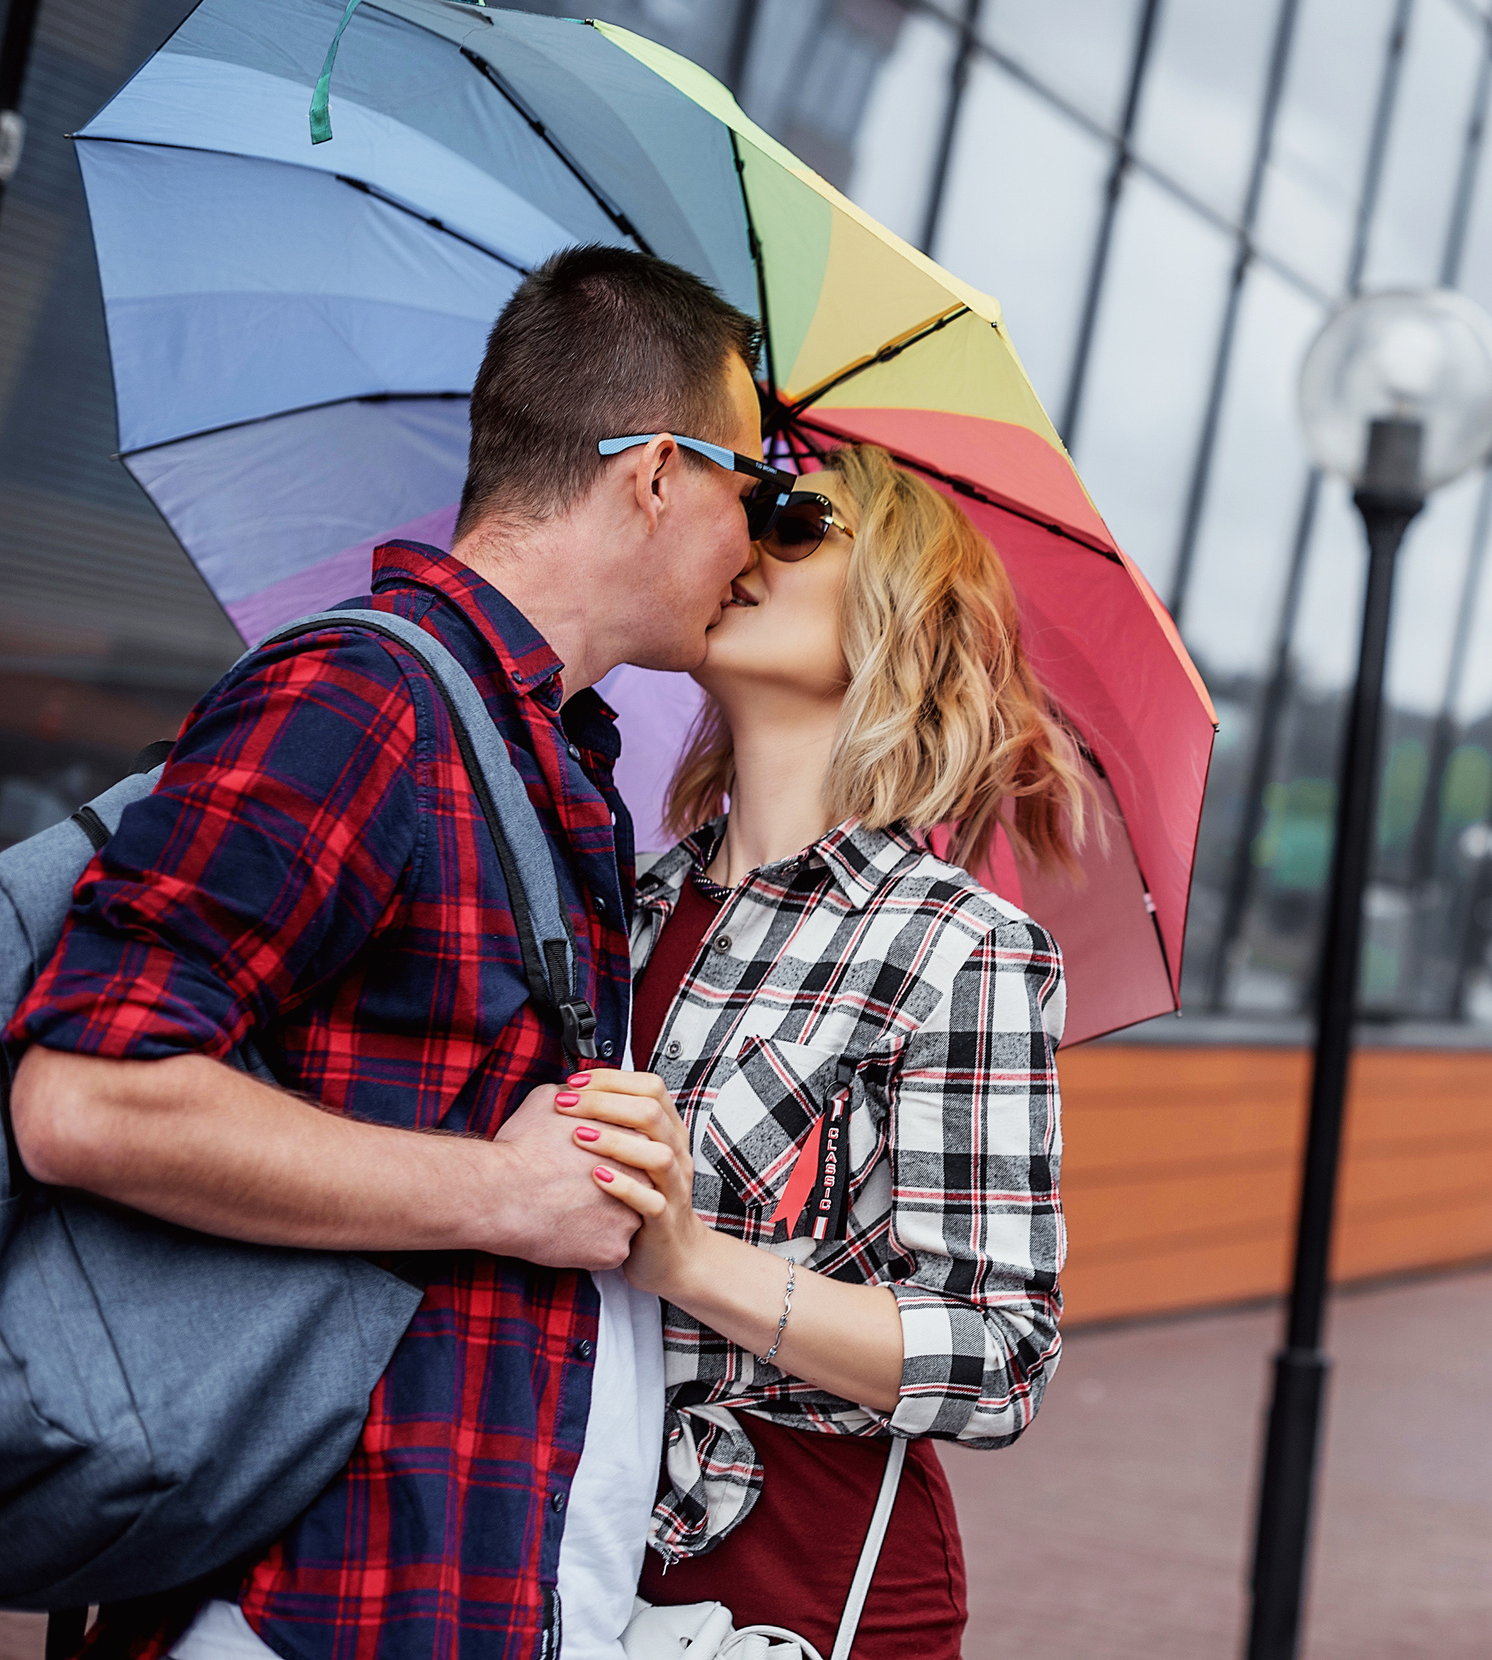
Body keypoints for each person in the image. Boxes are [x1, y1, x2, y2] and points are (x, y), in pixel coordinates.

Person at [9, 245, 784, 1660]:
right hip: (298, 1609)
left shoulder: (539, 752)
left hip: (434, 1594)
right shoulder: (362, 697)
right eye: (757, 486)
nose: (760, 540)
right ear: (660, 474)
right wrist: (504, 1189)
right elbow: (90, 1096)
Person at [554, 442, 1082, 1659]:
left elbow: (1001, 1353)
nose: (747, 541)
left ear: (895, 611)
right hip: (574, 1541)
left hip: (800, 1583)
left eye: (794, 521)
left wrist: (692, 1259)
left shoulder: (957, 947)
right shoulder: (613, 903)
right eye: (745, 512)